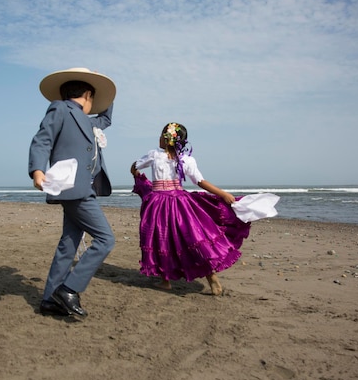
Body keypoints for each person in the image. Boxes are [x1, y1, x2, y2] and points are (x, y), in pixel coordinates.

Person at [29, 67, 116, 317]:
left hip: (80, 189)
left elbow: (107, 120)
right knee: (105, 239)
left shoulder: (88, 122)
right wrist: (37, 169)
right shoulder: (60, 109)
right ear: (88, 94)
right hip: (73, 187)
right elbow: (42, 140)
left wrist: (109, 92)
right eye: (94, 97)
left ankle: (49, 299)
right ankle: (69, 289)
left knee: (69, 245)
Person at [130, 122, 251, 295]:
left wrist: (137, 172)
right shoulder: (186, 159)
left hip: (158, 203)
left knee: (161, 239)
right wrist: (222, 194)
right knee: (193, 239)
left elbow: (134, 168)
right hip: (180, 202)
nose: (159, 138)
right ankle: (211, 278)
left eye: (161, 135)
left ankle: (166, 281)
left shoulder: (154, 155)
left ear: (167, 139)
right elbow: (200, 182)